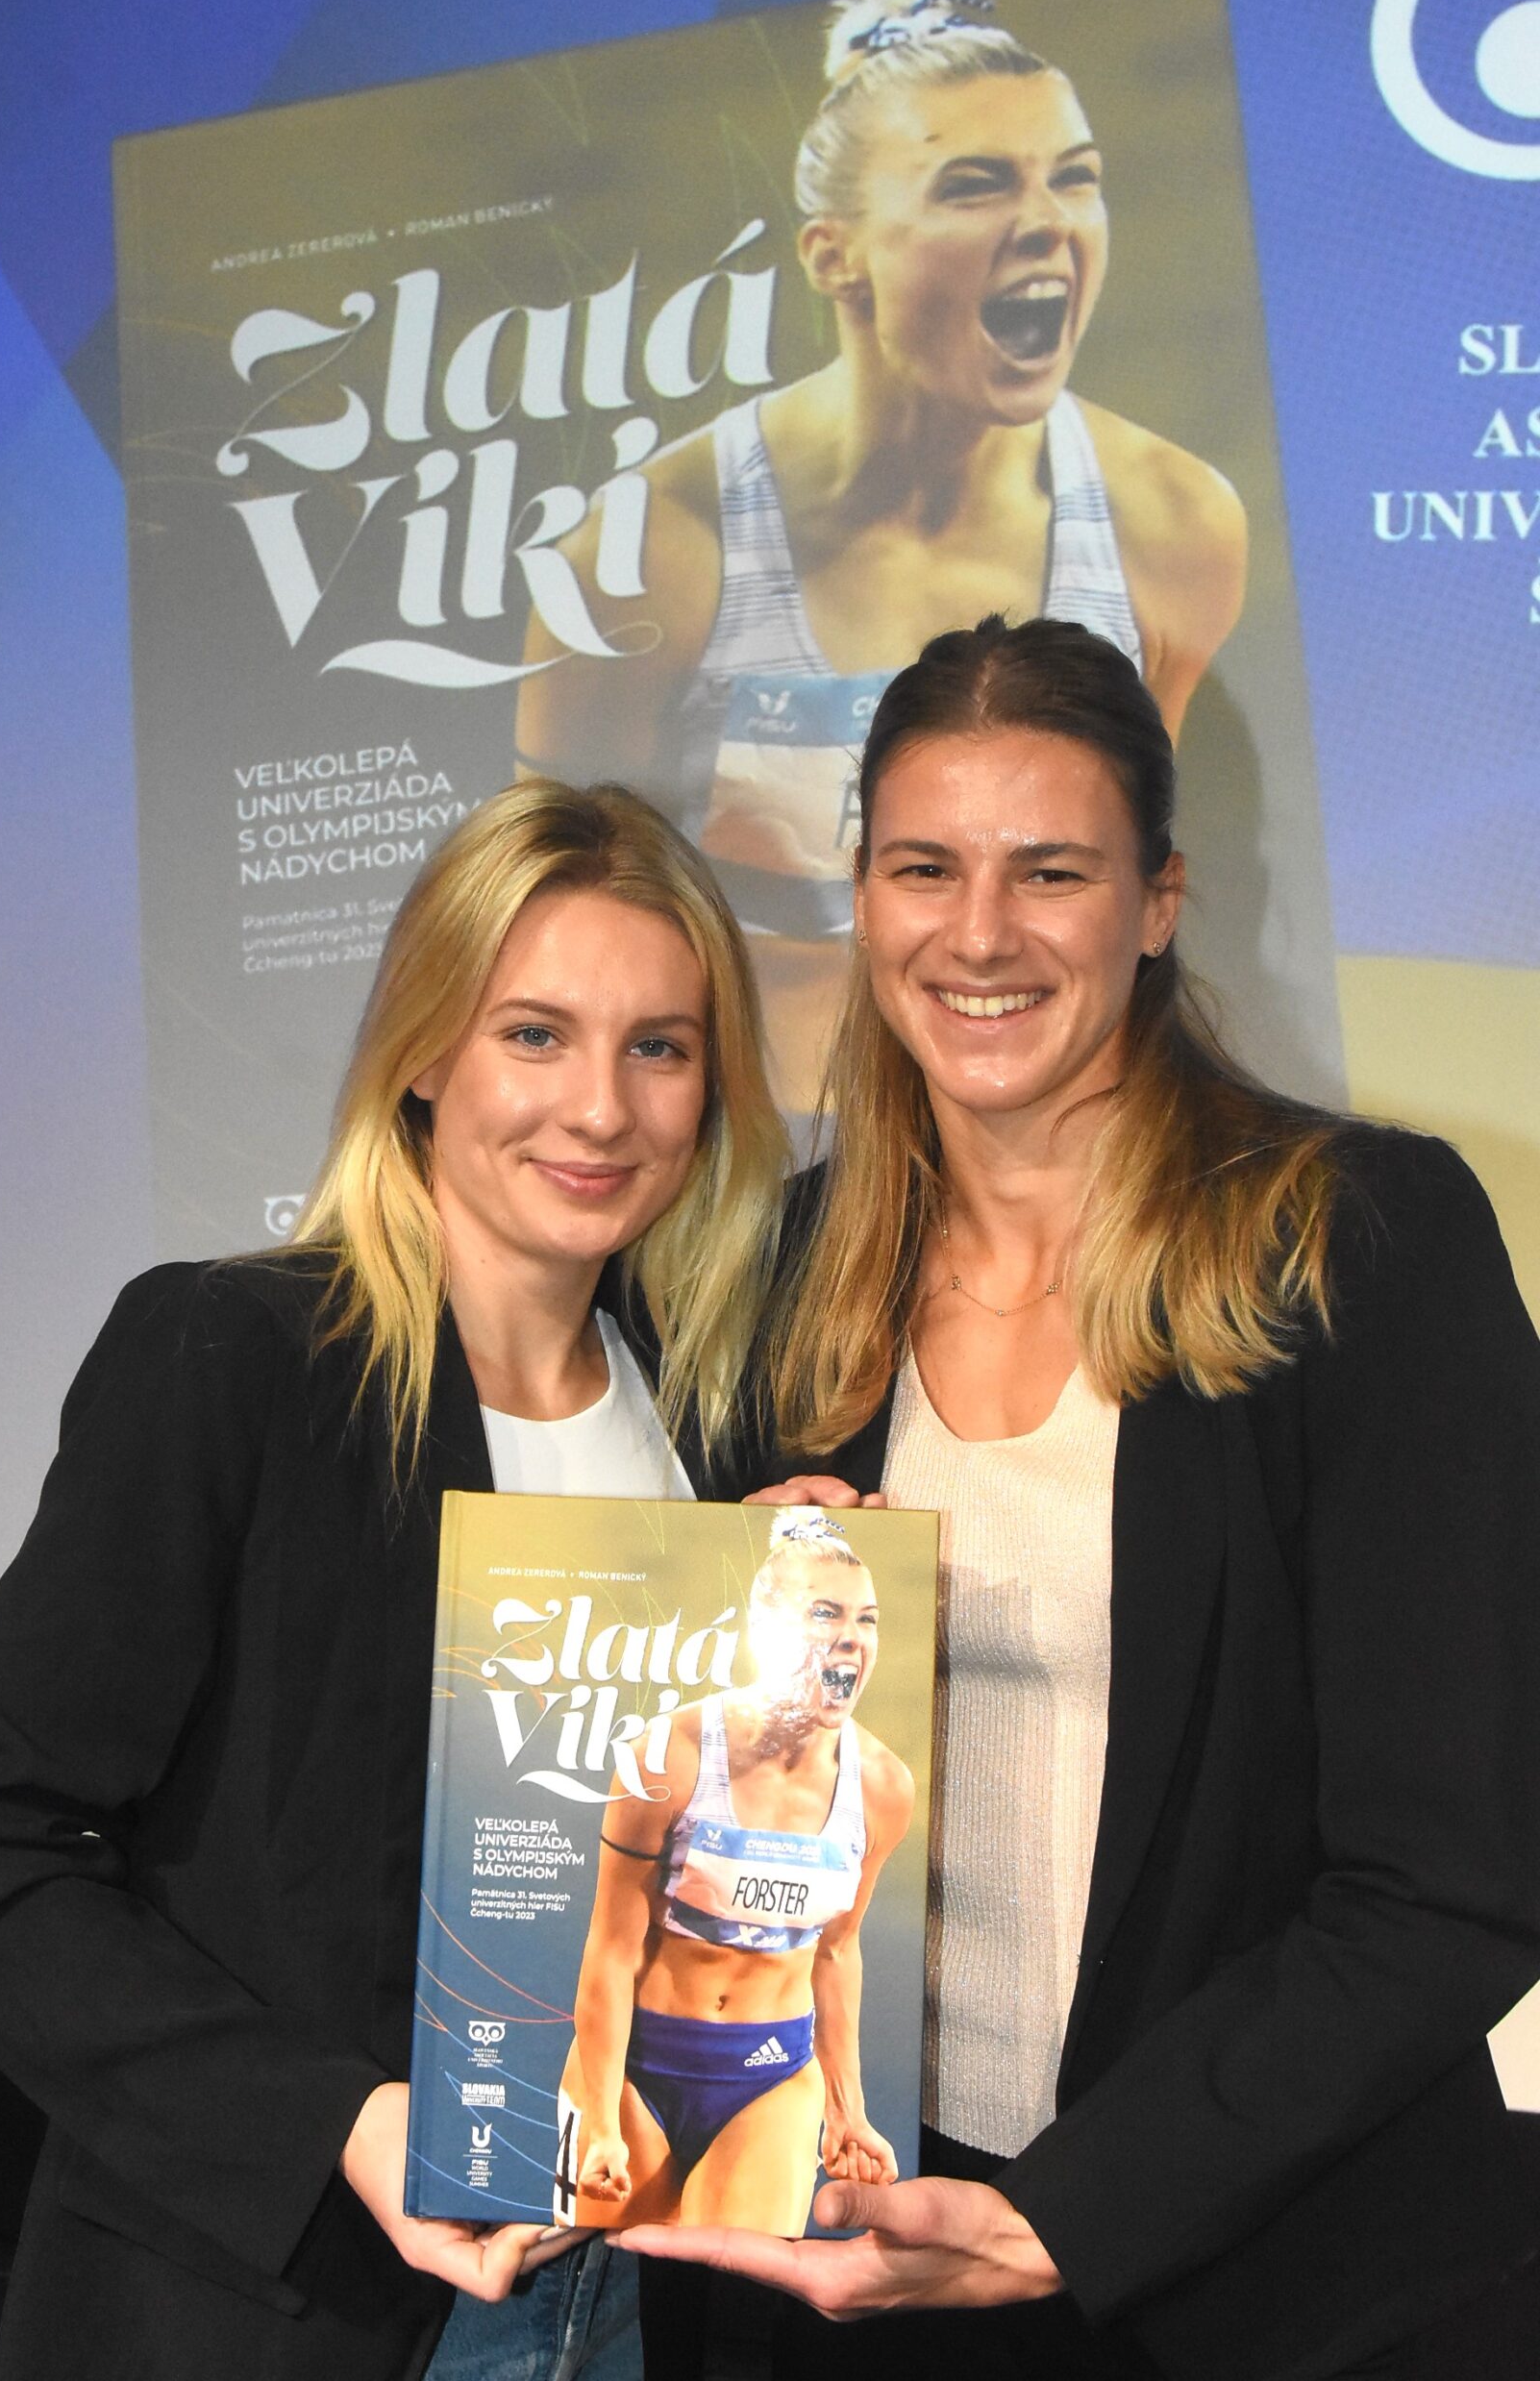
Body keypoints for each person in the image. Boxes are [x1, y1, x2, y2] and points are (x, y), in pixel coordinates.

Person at [620, 616, 1540, 2381]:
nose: (979, 934)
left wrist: (1075, 2217)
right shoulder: (763, 1285)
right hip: (859, 2260)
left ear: (1158, 901)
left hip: (1284, 2285)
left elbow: (1452, 1875)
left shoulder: (1360, 1245)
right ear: (863, 896)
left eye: (1050, 870)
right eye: (923, 868)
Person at [0, 780, 788, 2381]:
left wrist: (794, 1617)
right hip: (290, 2300)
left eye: (658, 1046)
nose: (598, 1109)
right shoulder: (236, 1362)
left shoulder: (711, 1425)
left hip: (632, 2302)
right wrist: (340, 2127)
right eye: (534, 1034)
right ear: (424, 1052)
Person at [517, 0, 1247, 1108]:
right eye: (974, 185)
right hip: (762, 1163)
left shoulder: (1174, 522)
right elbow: (555, 930)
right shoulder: (651, 548)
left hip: (1058, 1153)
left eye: (1074, 177)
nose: (1047, 222)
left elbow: (1121, 913)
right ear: (833, 255)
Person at [556, 1505, 913, 2239]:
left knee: (732, 2274)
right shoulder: (668, 1754)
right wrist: (600, 2120)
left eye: (867, 1620)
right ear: (768, 1629)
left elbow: (838, 1951)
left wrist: (847, 2110)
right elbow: (611, 1950)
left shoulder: (882, 1787)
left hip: (770, 2076)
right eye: (825, 1613)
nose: (852, 1636)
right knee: (582, 2276)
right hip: (634, 2069)